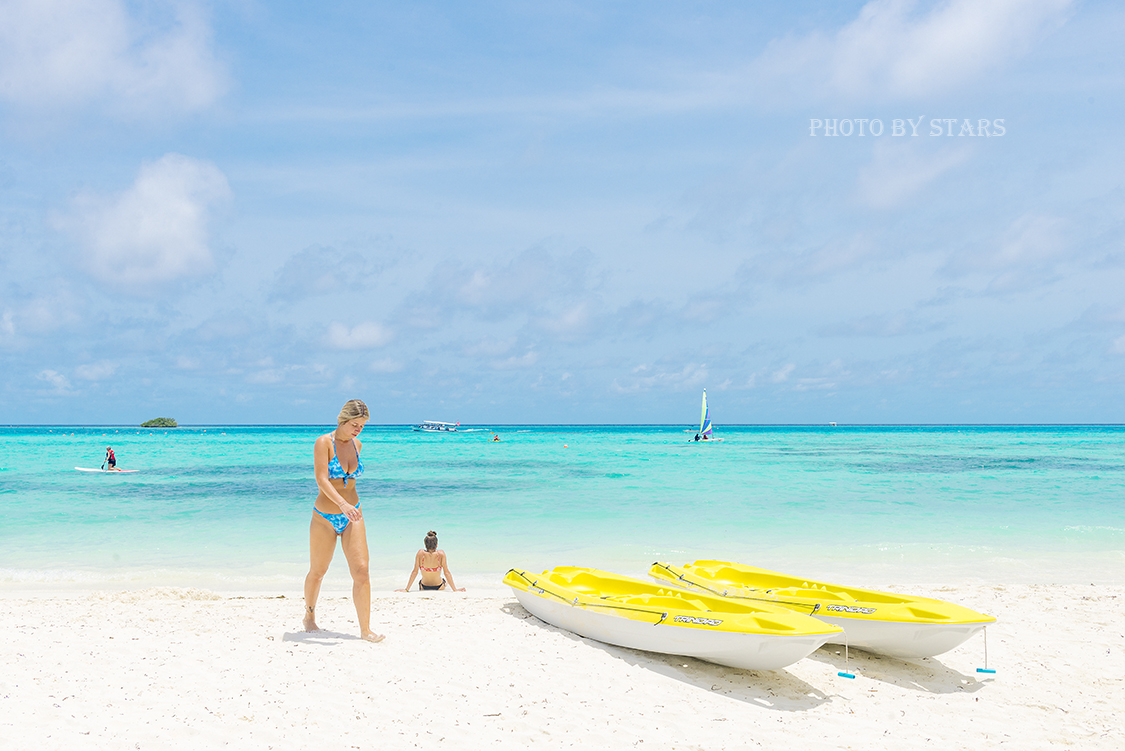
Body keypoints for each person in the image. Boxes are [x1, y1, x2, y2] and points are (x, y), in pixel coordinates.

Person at [303, 399, 385, 642]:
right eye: (355, 424)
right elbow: (322, 480)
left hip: (353, 514)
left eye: (362, 426)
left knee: (362, 572)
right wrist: (342, 504)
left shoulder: (357, 444)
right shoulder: (323, 443)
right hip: (325, 516)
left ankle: (365, 630)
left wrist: (350, 507)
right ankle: (309, 616)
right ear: (343, 420)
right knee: (318, 572)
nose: (358, 430)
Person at [398, 531, 465, 592]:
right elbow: (446, 572)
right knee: (445, 581)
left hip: (423, 587)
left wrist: (406, 589)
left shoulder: (420, 553)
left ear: (425, 545)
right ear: (436, 545)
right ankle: (449, 585)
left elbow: (414, 572)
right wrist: (455, 590)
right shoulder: (441, 554)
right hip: (439, 587)